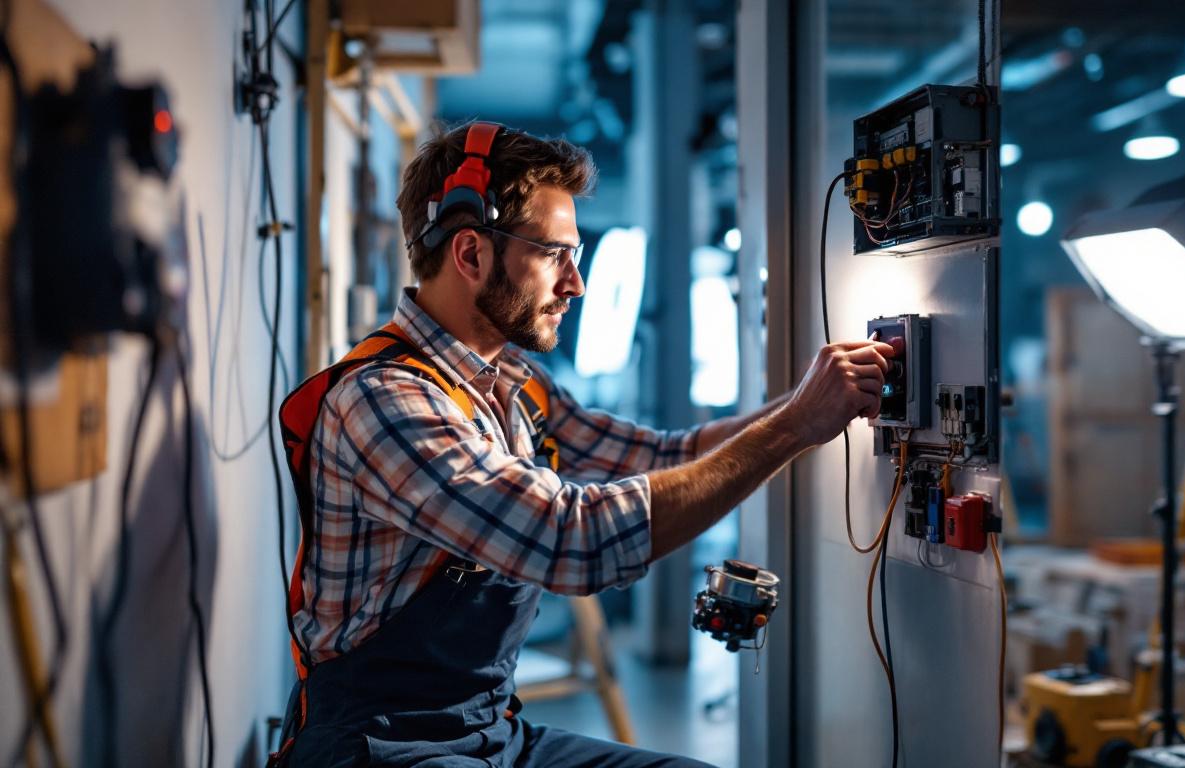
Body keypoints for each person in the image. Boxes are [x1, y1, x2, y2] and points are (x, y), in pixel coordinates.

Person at [275, 121, 894, 767]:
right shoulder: (385, 401)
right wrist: (794, 428)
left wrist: (808, 402)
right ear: (471, 254)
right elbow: (570, 540)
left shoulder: (513, 385)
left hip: (490, 733)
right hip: (380, 746)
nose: (575, 283)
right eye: (554, 255)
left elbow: (667, 458)